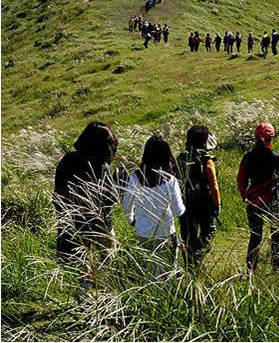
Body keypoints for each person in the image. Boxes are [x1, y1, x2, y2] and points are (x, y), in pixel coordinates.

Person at [53, 122, 119, 288]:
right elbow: (110, 198)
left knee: (82, 267)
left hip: (75, 225)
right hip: (101, 225)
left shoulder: (67, 161)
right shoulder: (102, 166)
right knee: (107, 258)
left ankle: (86, 296)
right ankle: (102, 292)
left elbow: (58, 196)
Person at [237, 123, 279, 272]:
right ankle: (277, 266)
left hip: (254, 202)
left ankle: (251, 268)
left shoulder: (247, 158)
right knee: (276, 233)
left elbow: (241, 181)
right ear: (271, 138)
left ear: (256, 138)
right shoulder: (277, 158)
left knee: (255, 234)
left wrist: (245, 196)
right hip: (273, 199)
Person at [123, 134, 185, 279]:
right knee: (168, 274)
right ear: (166, 156)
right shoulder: (170, 180)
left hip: (143, 233)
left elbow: (126, 206)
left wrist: (132, 220)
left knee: (149, 273)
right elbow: (178, 211)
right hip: (166, 233)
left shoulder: (134, 177)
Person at [177, 125, 221, 269]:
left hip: (184, 203)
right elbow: (213, 184)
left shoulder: (180, 159)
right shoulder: (206, 159)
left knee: (188, 235)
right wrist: (217, 204)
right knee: (209, 231)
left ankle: (190, 266)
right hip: (204, 203)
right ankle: (198, 254)